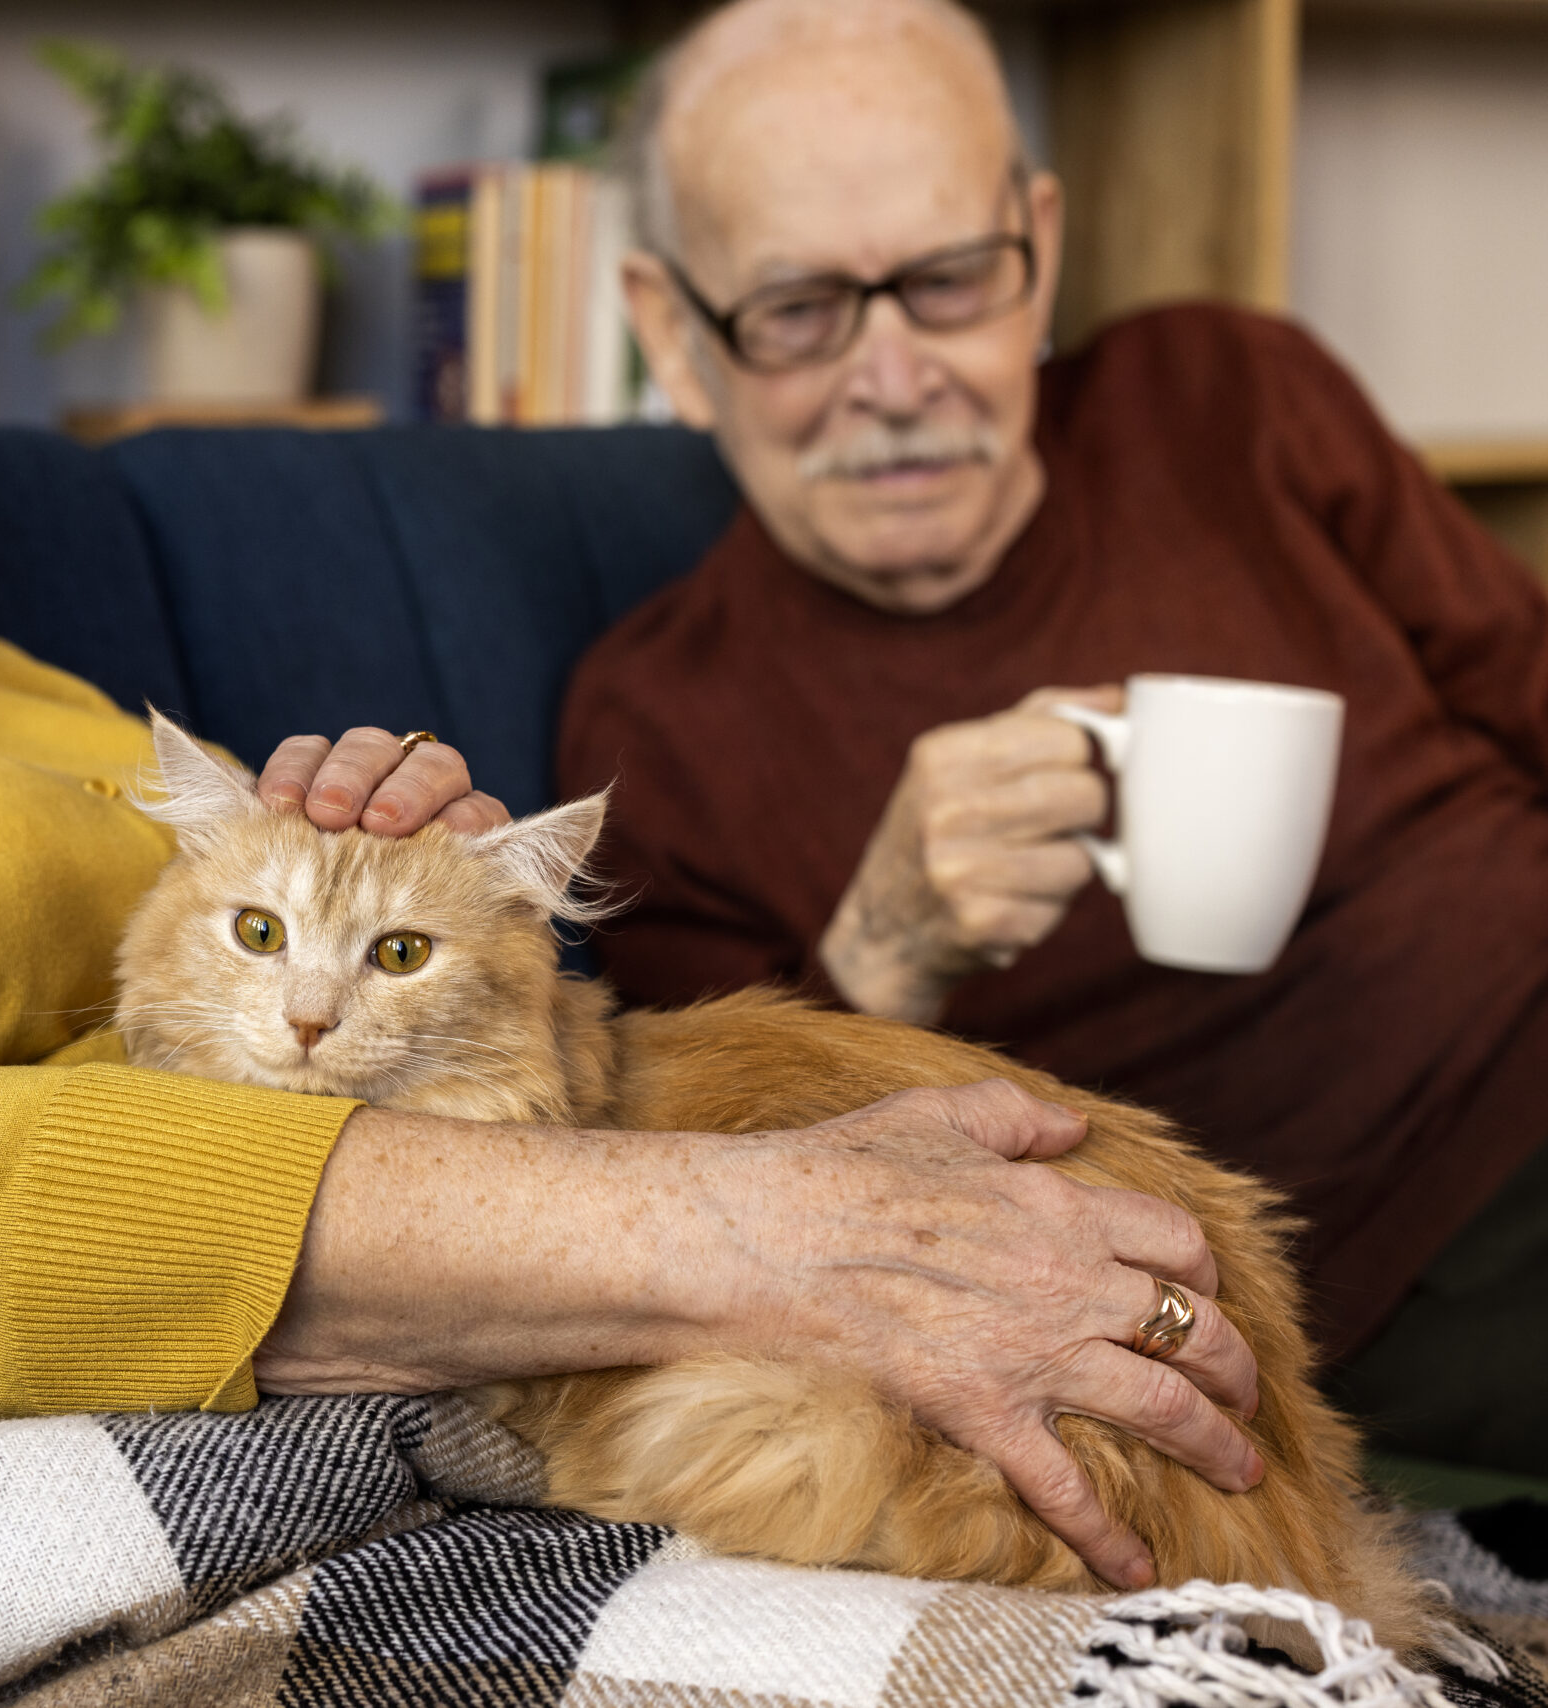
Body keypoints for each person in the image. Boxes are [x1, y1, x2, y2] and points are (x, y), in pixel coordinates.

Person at [0, 0, 1262, 1696]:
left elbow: (424, 1101)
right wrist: (780, 1236)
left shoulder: (2, 693)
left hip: (398, 1448)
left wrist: (472, 976)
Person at [560, 0, 1548, 1479]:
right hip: (1387, 1282)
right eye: (800, 312)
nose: (896, 379)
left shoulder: (1235, 396)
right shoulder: (662, 725)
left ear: (1039, 252)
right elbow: (761, 1239)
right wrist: (886, 954)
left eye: (951, 281)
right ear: (673, 334)